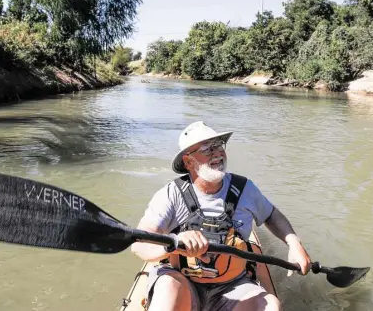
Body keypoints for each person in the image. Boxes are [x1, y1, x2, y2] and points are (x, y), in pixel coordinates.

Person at [131, 121, 312, 311]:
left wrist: (294, 243)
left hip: (233, 286)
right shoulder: (170, 194)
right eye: (207, 149)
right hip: (183, 283)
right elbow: (138, 244)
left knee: (270, 307)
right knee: (168, 286)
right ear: (188, 161)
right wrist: (174, 243)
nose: (217, 153)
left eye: (218, 145)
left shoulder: (245, 189)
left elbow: (272, 215)